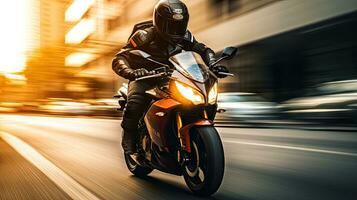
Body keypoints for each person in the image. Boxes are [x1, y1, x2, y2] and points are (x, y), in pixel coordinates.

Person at [112, 0, 230, 154]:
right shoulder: (144, 36)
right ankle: (129, 136)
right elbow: (120, 57)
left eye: (179, 26)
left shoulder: (186, 36)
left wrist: (213, 64)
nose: (176, 30)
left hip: (173, 76)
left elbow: (203, 50)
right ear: (159, 22)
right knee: (135, 102)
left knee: (202, 97)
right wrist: (131, 72)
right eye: (171, 25)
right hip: (144, 78)